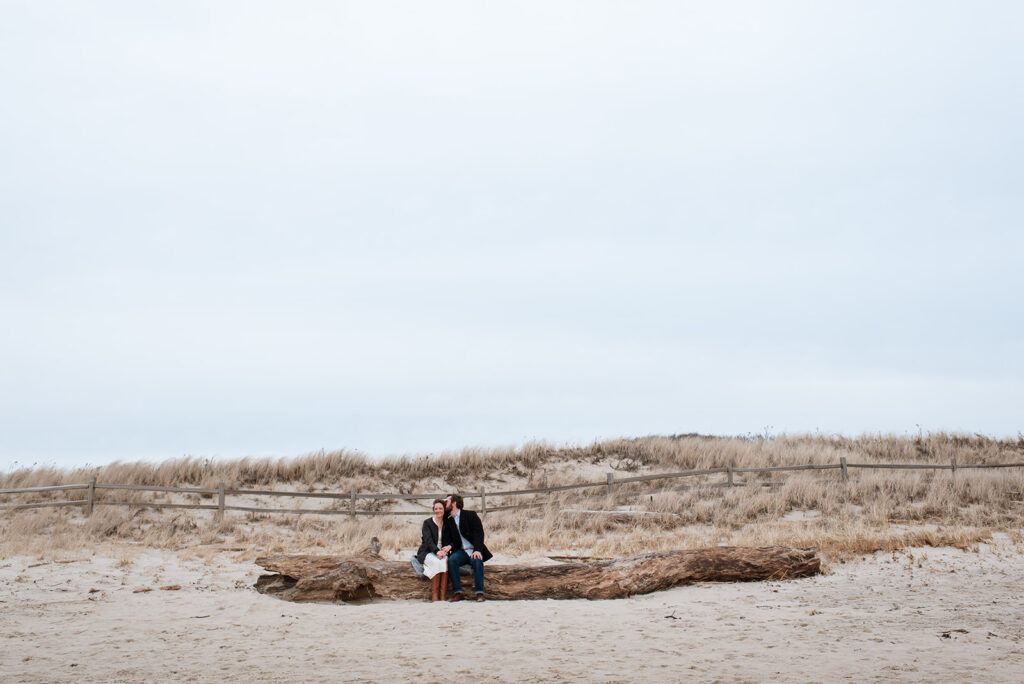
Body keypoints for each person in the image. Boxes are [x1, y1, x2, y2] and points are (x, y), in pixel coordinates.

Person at [445, 493, 492, 602]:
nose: (445, 503)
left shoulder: (470, 515)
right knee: (452, 560)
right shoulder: (449, 521)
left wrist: (477, 550)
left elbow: (479, 533)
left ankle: (480, 593)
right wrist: (449, 547)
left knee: (477, 560)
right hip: (461, 551)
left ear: (454, 503)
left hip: (473, 549)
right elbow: (452, 541)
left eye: (447, 501)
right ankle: (458, 593)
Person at [415, 499, 462, 602]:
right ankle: (435, 597)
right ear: (433, 510)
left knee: (445, 561)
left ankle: (443, 597)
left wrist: (448, 548)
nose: (438, 511)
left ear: (444, 510)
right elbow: (428, 541)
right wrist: (437, 551)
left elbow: (455, 540)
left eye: (440, 508)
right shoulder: (427, 523)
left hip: (442, 552)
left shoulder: (448, 523)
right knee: (436, 562)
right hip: (427, 551)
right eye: (436, 508)